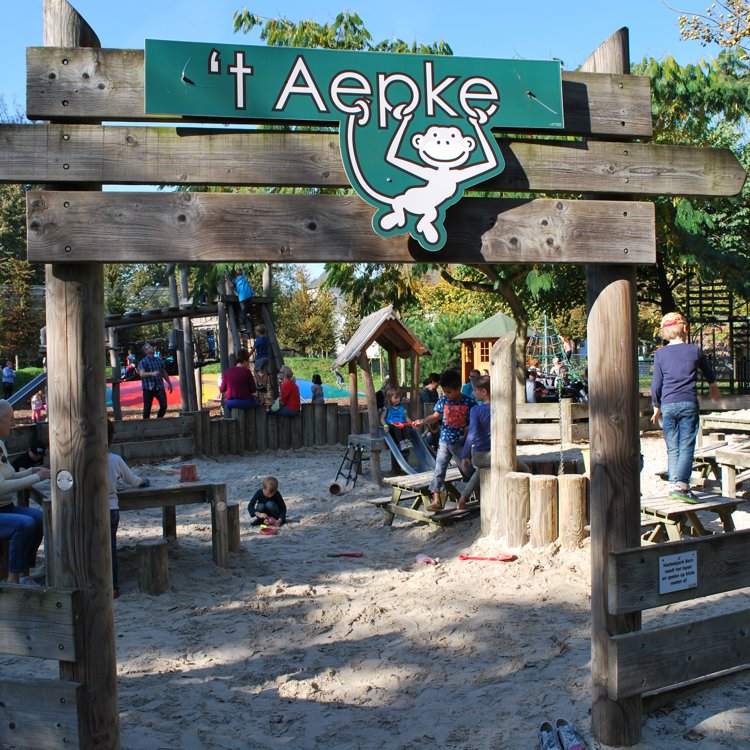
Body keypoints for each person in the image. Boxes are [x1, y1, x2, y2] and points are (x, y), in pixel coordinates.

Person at [651, 312, 720, 501]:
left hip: (668, 405)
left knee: (672, 447)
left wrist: (656, 406)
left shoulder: (660, 354)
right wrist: (713, 387)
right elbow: (708, 372)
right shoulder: (694, 351)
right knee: (686, 445)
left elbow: (656, 383)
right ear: (685, 329)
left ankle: (674, 485)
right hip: (688, 403)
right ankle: (681, 486)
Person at [0, 400, 50, 585]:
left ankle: (23, 573)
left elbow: (9, 475)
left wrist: (33, 471)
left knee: (38, 517)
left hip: (6, 507)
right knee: (25, 524)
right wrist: (38, 478)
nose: (13, 424)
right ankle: (13, 578)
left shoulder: (1, 444)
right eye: (10, 420)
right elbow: (2, 486)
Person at [413, 369, 476, 512]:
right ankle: (436, 500)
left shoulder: (469, 402)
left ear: (458, 389)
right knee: (439, 470)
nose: (446, 394)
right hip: (444, 442)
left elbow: (475, 420)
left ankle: (478, 493)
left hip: (460, 444)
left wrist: (469, 427)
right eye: (444, 391)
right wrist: (423, 421)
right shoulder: (443, 400)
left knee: (467, 470)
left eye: (448, 392)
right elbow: (435, 416)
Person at [107, 420, 149, 598]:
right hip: (110, 509)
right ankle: (112, 586)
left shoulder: (80, 459)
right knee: (110, 548)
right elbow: (133, 480)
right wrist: (144, 481)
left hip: (90, 511)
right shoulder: (114, 460)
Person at [456, 375, 491, 509]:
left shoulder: (476, 410)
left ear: (483, 392)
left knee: (481, 470)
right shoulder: (500, 408)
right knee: (525, 468)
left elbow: (472, 433)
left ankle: (463, 498)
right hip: (493, 454)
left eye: (474, 390)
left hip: (478, 456)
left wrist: (465, 456)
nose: (472, 393)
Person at [137, 343, 173, 419]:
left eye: (151, 346)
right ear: (146, 351)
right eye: (149, 347)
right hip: (148, 388)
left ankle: (159, 420)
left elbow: (164, 372)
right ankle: (146, 425)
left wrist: (169, 383)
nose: (152, 347)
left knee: (164, 406)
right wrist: (152, 373)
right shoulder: (143, 362)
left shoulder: (158, 360)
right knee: (147, 408)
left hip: (159, 387)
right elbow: (142, 374)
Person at [381, 385, 419, 452]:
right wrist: (385, 426)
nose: (398, 399)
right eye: (395, 398)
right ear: (390, 398)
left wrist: (412, 424)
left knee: (407, 426)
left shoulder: (401, 407)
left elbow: (406, 417)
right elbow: (382, 418)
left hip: (401, 424)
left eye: (399, 397)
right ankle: (401, 443)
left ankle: (407, 441)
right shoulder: (387, 407)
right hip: (392, 425)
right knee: (397, 427)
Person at [231, 269, 255, 333]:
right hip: (248, 295)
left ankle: (243, 325)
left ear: (237, 274)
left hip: (243, 297)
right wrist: (253, 292)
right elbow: (248, 286)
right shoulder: (244, 278)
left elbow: (233, 286)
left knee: (243, 310)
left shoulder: (235, 280)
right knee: (248, 308)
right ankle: (250, 316)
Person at [248, 324, 270, 389]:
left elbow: (253, 350)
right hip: (267, 357)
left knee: (255, 371)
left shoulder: (258, 340)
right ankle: (265, 386)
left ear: (258, 332)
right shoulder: (266, 339)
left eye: (256, 332)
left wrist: (247, 356)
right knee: (265, 372)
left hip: (260, 357)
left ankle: (260, 384)